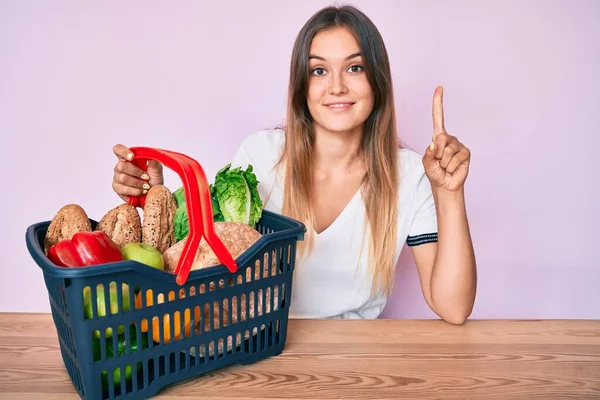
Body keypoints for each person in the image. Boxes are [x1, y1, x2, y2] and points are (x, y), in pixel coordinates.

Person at [111, 5, 476, 324]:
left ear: (377, 81)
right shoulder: (260, 157)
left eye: (354, 68)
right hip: (260, 345)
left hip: (359, 357)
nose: (336, 87)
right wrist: (156, 194)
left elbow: (454, 308)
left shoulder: (411, 175)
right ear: (302, 86)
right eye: (319, 71)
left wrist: (449, 192)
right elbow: (207, 259)